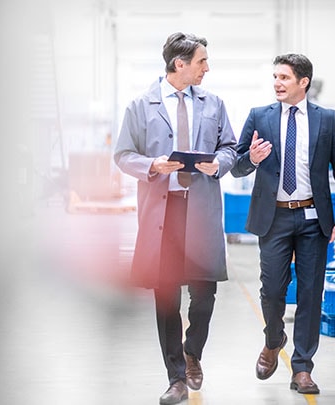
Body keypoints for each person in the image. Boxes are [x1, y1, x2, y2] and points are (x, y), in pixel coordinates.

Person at [114, 32, 237, 405]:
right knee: (166, 295)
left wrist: (219, 164)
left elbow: (230, 146)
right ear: (179, 64)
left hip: (200, 207)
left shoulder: (214, 103)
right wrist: (150, 164)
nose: (207, 68)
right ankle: (176, 378)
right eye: (201, 61)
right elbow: (122, 154)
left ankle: (192, 351)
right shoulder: (140, 105)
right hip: (163, 211)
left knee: (204, 292)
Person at [230, 53, 335, 395]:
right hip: (275, 217)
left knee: (311, 294)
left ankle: (302, 367)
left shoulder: (327, 120)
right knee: (271, 291)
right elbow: (237, 165)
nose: (277, 84)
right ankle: (274, 339)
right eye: (275, 77)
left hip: (314, 219)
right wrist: (250, 160)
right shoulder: (259, 116)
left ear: (304, 82)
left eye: (284, 77)